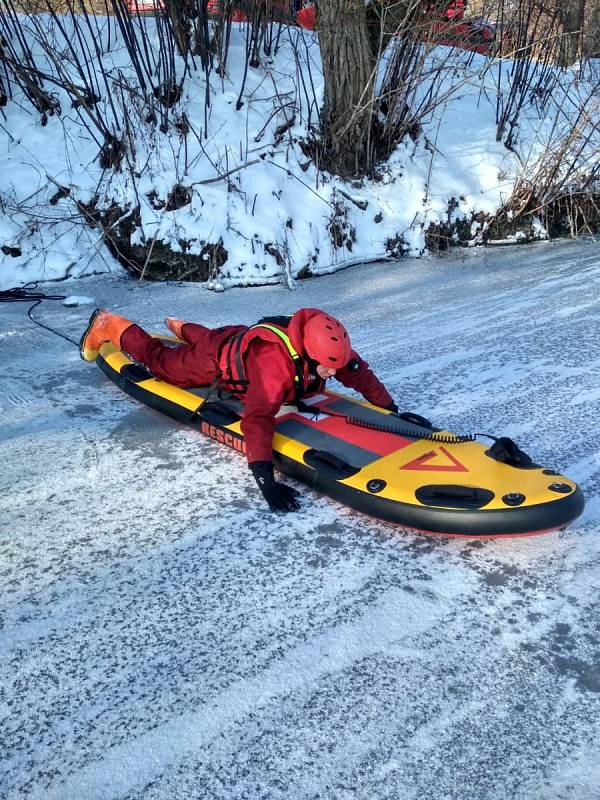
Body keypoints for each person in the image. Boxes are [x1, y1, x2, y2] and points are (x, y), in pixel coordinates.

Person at [80, 307, 397, 512]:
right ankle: (111, 324)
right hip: (214, 360)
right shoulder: (274, 366)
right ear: (310, 354)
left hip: (233, 336)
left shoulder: (328, 343)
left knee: (213, 337)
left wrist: (390, 410)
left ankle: (182, 326)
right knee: (162, 363)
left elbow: (360, 375)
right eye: (327, 370)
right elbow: (257, 419)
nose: (332, 375)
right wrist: (265, 479)